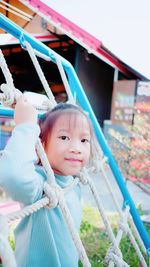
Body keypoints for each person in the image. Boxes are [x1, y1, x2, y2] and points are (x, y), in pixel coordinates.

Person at [0, 95, 93, 267]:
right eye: (64, 137)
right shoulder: (39, 185)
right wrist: (26, 127)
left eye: (83, 140)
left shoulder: (73, 183)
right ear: (41, 144)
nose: (77, 149)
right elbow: (13, 176)